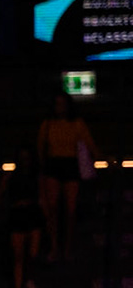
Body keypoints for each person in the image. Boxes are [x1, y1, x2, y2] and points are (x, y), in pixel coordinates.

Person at [38, 93, 97, 261]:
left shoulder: (77, 123)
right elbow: (40, 148)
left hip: (70, 164)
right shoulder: (47, 124)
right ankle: (55, 246)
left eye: (63, 104)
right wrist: (42, 170)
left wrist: (103, 157)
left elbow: (89, 143)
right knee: (53, 207)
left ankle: (67, 247)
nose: (60, 107)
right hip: (53, 164)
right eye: (57, 103)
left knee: (70, 209)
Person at [0, 150, 45, 288]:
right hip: (17, 215)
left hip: (33, 214)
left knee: (33, 253)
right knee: (18, 257)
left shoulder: (37, 178)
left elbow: (42, 198)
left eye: (27, 158)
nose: (25, 161)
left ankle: (29, 278)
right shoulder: (10, 178)